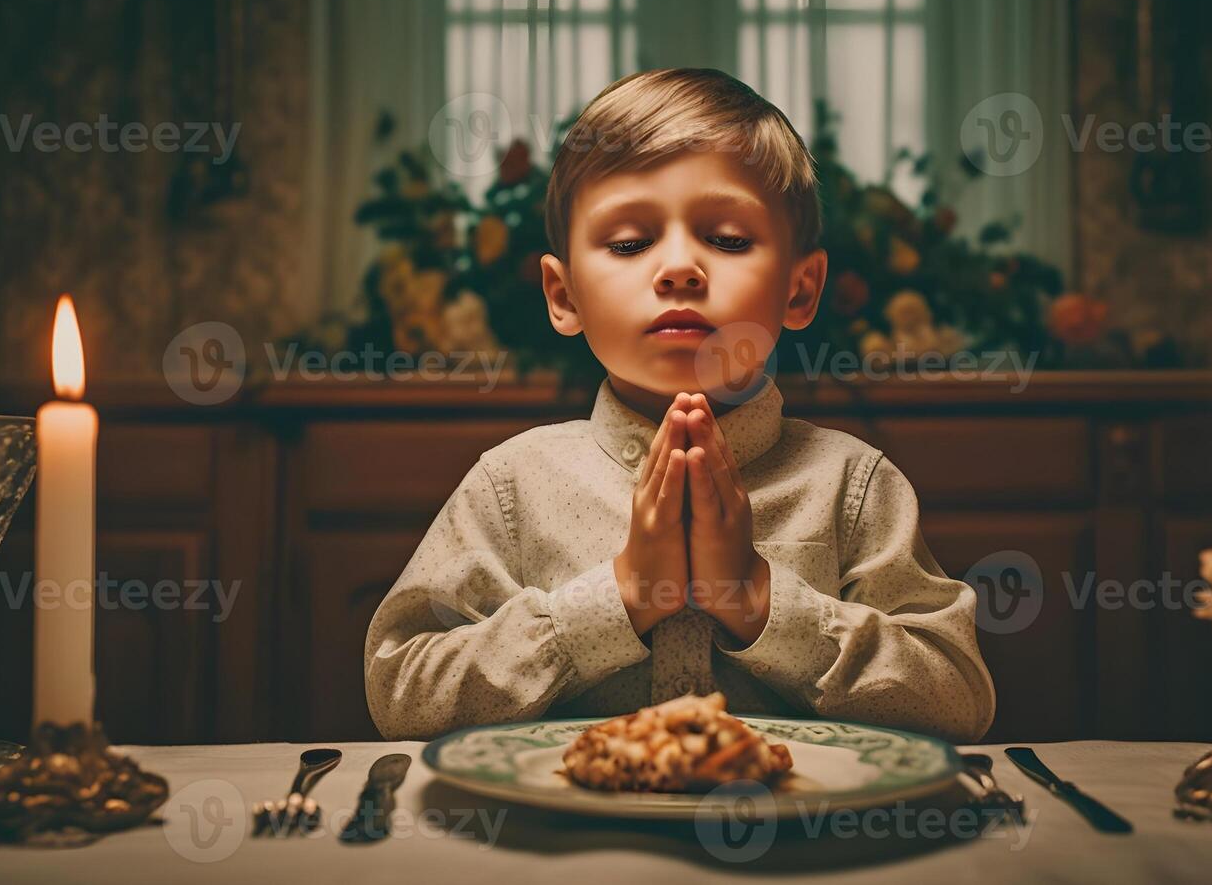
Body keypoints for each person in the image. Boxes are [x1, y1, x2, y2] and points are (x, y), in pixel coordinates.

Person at [363, 67, 996, 743]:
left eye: (726, 239)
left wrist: (755, 598)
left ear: (801, 289)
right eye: (630, 243)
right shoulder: (508, 486)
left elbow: (956, 700)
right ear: (562, 295)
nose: (678, 269)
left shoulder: (853, 486)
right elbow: (402, 691)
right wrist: (623, 595)